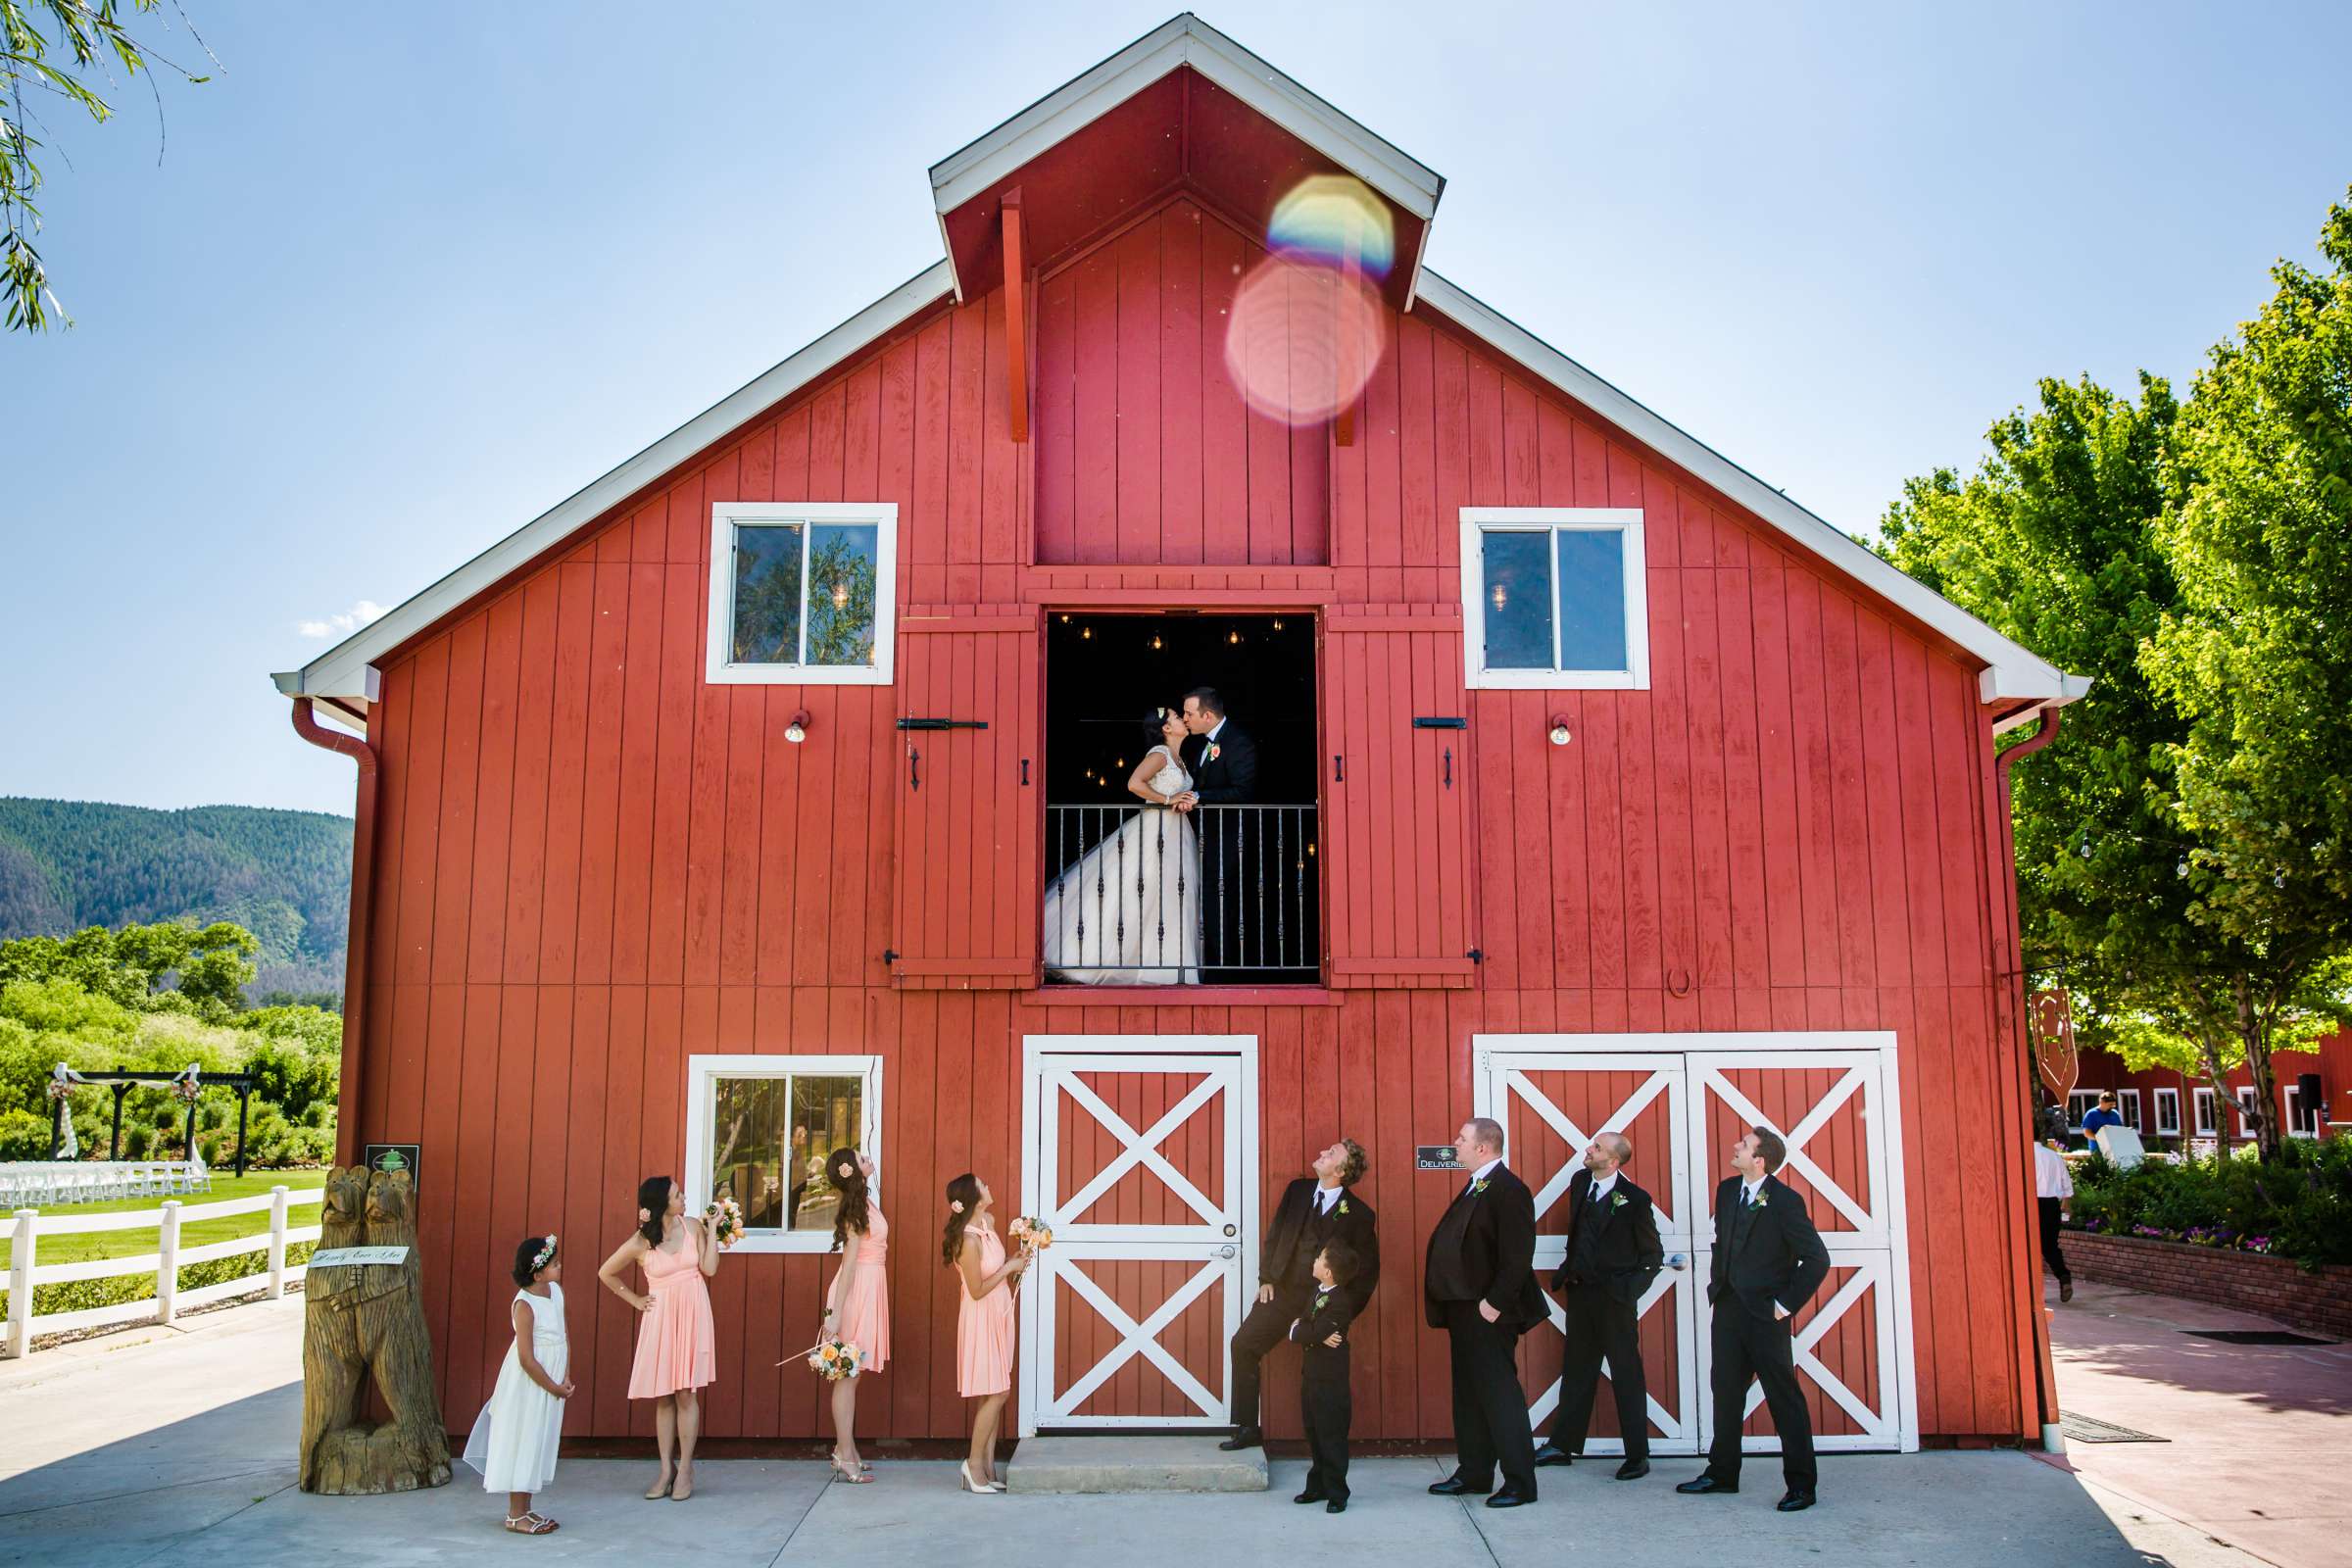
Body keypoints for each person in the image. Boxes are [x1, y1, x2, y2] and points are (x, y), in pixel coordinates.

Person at [1678, 1126, 1831, 1512]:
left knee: (1784, 1399)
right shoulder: (1728, 1191)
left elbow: (1817, 1259)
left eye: (1743, 1145)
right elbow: (1722, 1243)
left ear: (1759, 1159)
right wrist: (1718, 1285)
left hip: (1766, 1315)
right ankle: (1722, 1473)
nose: (1735, 1146)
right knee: (1725, 1392)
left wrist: (1784, 1306)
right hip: (1728, 1310)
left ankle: (1801, 1485)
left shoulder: (1785, 1201)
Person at [1220, 1138, 1380, 1452]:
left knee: (1318, 1378)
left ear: (1343, 1169)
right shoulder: (1297, 1191)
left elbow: (1366, 1274)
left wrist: (1337, 1316)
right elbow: (1277, 1232)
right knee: (1243, 1345)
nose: (1322, 1152)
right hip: (1282, 1293)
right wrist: (1266, 1277)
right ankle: (1248, 1427)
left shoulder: (1360, 1214)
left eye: (1331, 1152)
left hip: (1320, 1305)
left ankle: (1323, 1453)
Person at [1424, 1117, 1547, 1508]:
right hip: (1463, 1308)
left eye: (1461, 1139)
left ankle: (1520, 1482)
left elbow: (1517, 1255)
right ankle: (1475, 1472)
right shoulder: (1476, 1185)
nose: (1454, 1144)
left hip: (1489, 1311)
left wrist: (1494, 1304)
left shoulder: (1509, 1190)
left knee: (1498, 1396)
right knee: (1469, 1395)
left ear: (1483, 1147)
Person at [1533, 1132, 1663, 1478]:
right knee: (1577, 1369)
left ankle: (1638, 1454)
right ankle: (1562, 1444)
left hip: (1615, 1300)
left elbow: (1653, 1256)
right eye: (1592, 1145)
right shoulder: (1580, 1183)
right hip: (1580, 1293)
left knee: (1626, 1374)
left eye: (1597, 1148)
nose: (1588, 1151)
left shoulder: (1635, 1199)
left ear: (1614, 1161)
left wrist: (1627, 1291)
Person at [1044, 706, 1200, 983]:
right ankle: (1096, 958)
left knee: (1167, 897)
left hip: (1176, 832)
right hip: (1156, 829)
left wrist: (1186, 799)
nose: (1183, 719)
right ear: (1165, 728)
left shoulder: (1180, 758)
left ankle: (1163, 965)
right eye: (1177, 717)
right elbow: (1134, 784)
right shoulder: (1159, 754)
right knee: (1138, 890)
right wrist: (1168, 800)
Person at [598, 1176, 719, 1500]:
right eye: (677, 1195)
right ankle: (666, 1468)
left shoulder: (692, 1226)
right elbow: (606, 1272)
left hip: (692, 1312)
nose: (684, 1198)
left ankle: (687, 1467)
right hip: (662, 1317)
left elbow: (709, 1269)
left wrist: (714, 1229)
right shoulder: (641, 1241)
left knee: (685, 1393)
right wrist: (635, 1299)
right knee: (664, 1395)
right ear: (661, 1203)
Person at [463, 1234, 573, 1535]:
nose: (559, 1264)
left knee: (538, 1439)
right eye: (554, 1263)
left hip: (552, 1379)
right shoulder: (524, 1305)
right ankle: (515, 1514)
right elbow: (525, 1357)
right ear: (537, 1273)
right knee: (523, 1438)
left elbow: (563, 1335)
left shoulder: (556, 1292)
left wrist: (564, 1376)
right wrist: (551, 1385)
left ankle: (527, 1508)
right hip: (529, 1382)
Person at [943, 1171, 1031, 1494]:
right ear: (974, 1198)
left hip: (1000, 1312)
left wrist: (1013, 1260)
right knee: (999, 1392)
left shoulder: (988, 1224)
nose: (989, 1186)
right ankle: (973, 1464)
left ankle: (989, 1466)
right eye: (984, 1185)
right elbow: (977, 1290)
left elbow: (994, 1270)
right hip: (981, 1316)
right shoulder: (967, 1241)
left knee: (991, 1389)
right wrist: (1008, 1269)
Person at [1171, 688, 1259, 978]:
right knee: (1204, 898)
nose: (1185, 719)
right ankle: (1209, 963)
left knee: (1221, 899)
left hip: (1226, 838)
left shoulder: (1238, 743)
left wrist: (1198, 796)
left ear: (1207, 716)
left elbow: (1242, 791)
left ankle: (1225, 967)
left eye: (1189, 714)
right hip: (1202, 837)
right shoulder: (1202, 745)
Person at [821, 1148, 888, 1483]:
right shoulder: (854, 1213)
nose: (867, 1159)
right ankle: (844, 1455)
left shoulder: (865, 1204)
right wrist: (834, 1315)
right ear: (853, 1171)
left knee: (854, 1374)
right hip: (855, 1291)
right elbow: (847, 1267)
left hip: (871, 1286)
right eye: (861, 1158)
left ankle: (846, 1449)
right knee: (848, 1375)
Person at [1290, 1241, 1363, 1514]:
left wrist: (1307, 1331)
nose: (1315, 1261)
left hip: (1331, 1381)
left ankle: (1337, 1492)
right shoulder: (1316, 1293)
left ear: (1329, 1271)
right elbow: (1301, 1328)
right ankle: (1317, 1485)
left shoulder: (1341, 1302)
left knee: (1331, 1433)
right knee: (1314, 1430)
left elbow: (1305, 1329)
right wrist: (1309, 1331)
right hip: (1311, 1375)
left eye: (1320, 1258)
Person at [2034, 1114, 2075, 1303]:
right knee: (2050, 1246)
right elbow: (2066, 1182)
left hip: (2030, 1204)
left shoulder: (2020, 1157)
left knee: (2025, 1246)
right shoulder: (2053, 1156)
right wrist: (2066, 1204)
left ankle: (2029, 1287)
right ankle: (2063, 1276)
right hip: (2051, 1204)